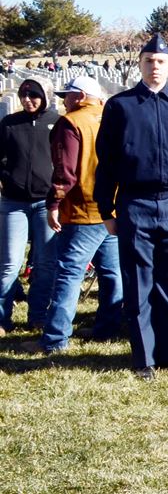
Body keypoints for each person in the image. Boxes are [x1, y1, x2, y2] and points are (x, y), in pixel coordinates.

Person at [94, 34, 168, 378]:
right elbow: (107, 160)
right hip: (135, 202)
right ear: (140, 64)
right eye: (149, 61)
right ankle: (144, 357)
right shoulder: (120, 106)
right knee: (138, 281)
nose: (155, 67)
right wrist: (105, 208)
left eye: (161, 62)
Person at [31, 77, 123, 354]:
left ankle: (55, 339)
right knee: (112, 273)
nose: (63, 101)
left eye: (68, 96)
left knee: (69, 274)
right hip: (113, 208)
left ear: (81, 96)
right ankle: (108, 328)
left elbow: (65, 171)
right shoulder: (112, 118)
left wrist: (54, 202)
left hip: (82, 209)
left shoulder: (70, 123)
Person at [1, 77, 59, 333]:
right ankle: (3, 319)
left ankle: (37, 316)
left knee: (45, 264)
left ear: (45, 96)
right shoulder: (10, 123)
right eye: (24, 95)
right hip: (14, 203)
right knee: (10, 264)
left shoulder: (57, 122)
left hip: (46, 204)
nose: (28, 100)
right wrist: (6, 178)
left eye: (33, 95)